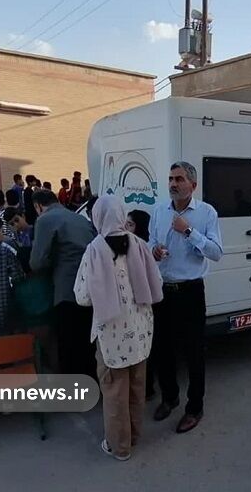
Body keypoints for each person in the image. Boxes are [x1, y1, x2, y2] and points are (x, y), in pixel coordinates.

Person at [74, 196, 163, 461]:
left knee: (114, 392)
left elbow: (82, 296)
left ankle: (119, 446)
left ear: (97, 217)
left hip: (111, 336)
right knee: (137, 388)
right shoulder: (140, 244)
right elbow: (155, 280)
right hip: (140, 333)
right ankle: (134, 436)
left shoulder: (94, 250)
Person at [149, 161, 223, 434]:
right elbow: (148, 242)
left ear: (193, 185)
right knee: (163, 349)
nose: (173, 183)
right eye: (170, 178)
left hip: (191, 291)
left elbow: (216, 252)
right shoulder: (158, 211)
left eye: (179, 179)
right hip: (163, 290)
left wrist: (189, 231)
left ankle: (194, 408)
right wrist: (153, 251)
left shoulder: (206, 213)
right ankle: (170, 397)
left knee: (194, 353)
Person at [30, 189, 97, 376]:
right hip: (90, 287)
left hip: (66, 289)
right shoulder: (79, 218)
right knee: (87, 342)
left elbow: (37, 262)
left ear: (38, 206)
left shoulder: (44, 219)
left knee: (68, 345)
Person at [126, 209, 156, 399]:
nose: (125, 228)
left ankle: (147, 388)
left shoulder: (142, 248)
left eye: (130, 224)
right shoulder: (127, 246)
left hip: (143, 309)